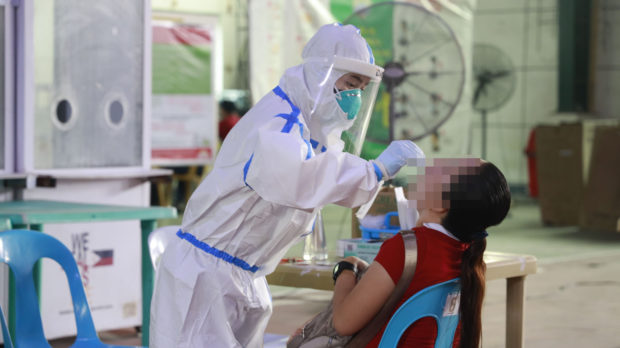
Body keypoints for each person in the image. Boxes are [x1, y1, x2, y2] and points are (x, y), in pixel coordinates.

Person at [149, 23, 425, 348]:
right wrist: (374, 171)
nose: (355, 96)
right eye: (351, 83)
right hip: (205, 279)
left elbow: (315, 177)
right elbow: (300, 179)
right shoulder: (278, 122)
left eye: (362, 88)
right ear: (322, 73)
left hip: (243, 277)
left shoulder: (305, 128)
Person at [324, 159, 511, 347]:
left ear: (439, 204)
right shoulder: (469, 254)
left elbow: (343, 323)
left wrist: (346, 269)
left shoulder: (406, 250)